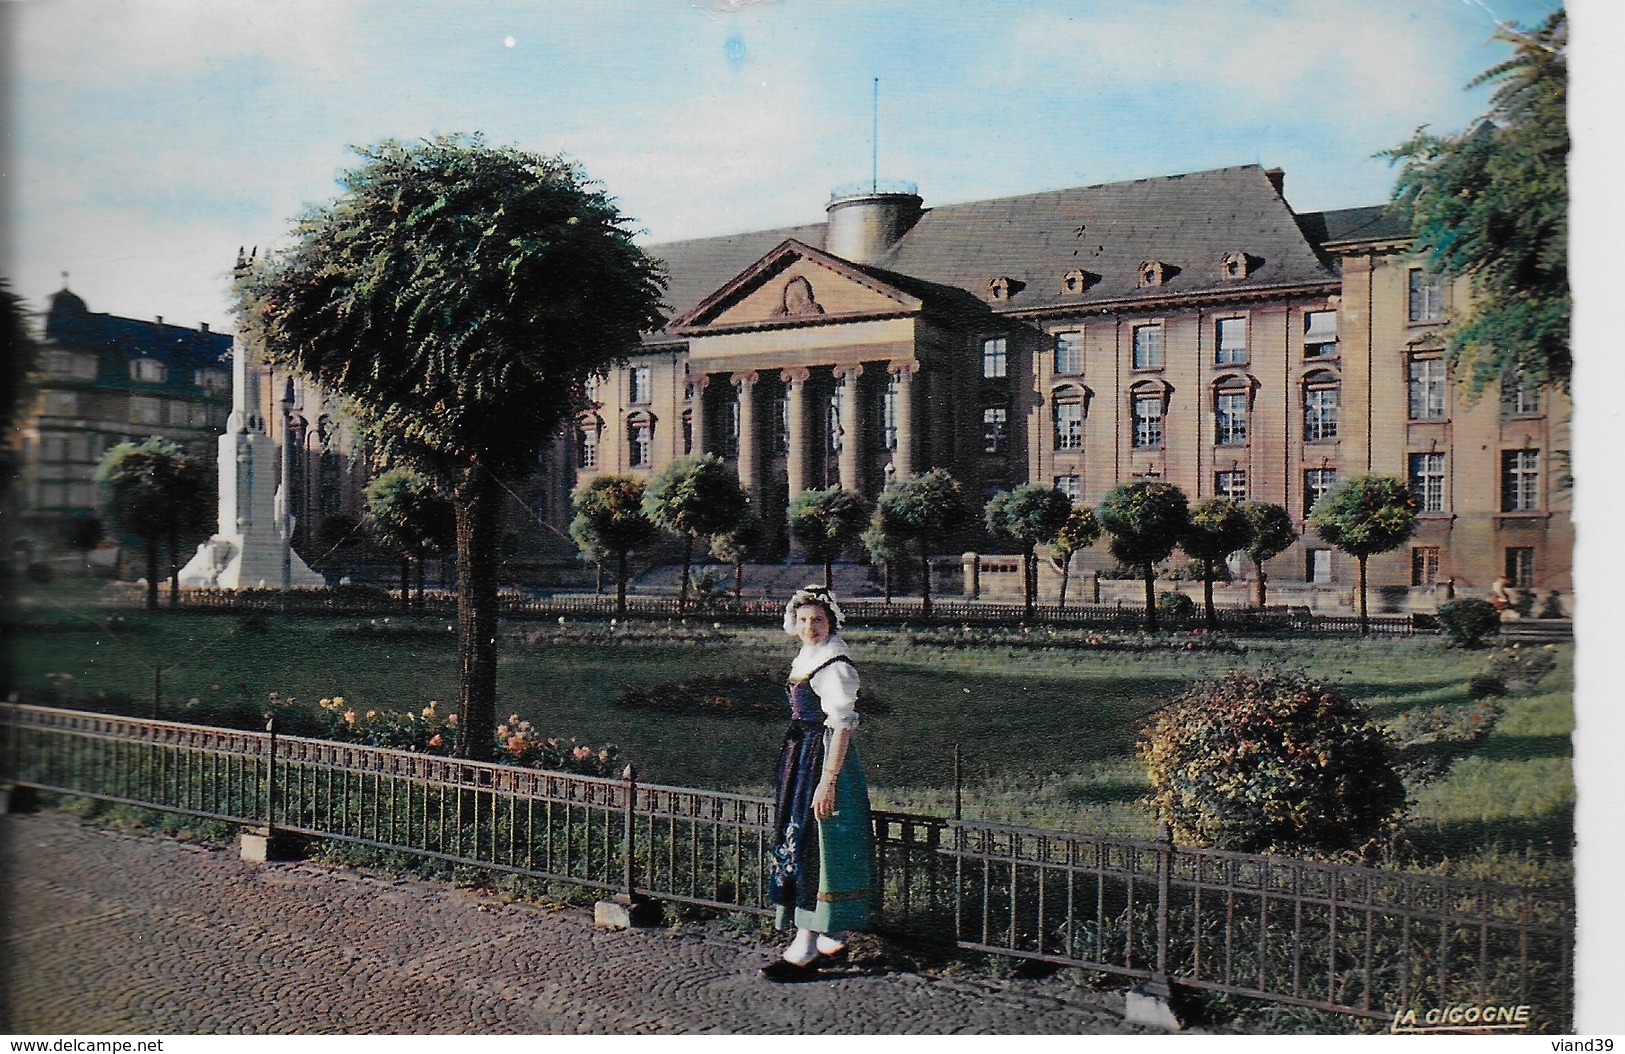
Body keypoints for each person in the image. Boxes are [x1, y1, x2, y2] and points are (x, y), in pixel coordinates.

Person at [760, 585, 872, 981]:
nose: (810, 627)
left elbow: (841, 727)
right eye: (805, 620)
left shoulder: (835, 665)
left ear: (831, 622)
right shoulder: (809, 656)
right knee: (809, 842)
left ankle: (804, 948)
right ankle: (831, 935)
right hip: (801, 755)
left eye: (818, 620)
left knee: (814, 843)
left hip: (822, 759)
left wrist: (828, 782)